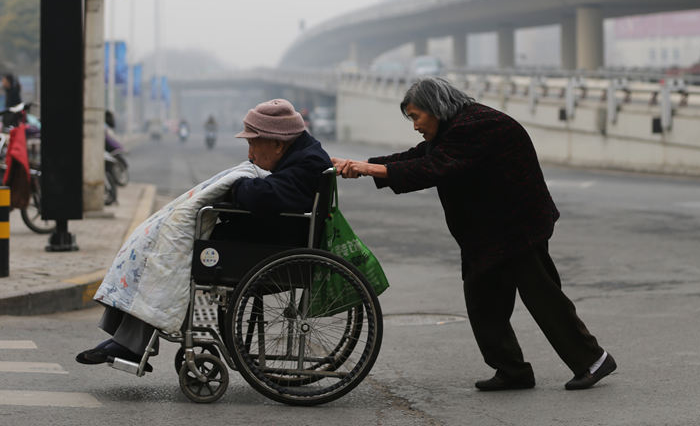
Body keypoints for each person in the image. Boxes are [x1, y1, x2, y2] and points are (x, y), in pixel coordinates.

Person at [331, 77, 615, 392]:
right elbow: (419, 156)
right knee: (483, 301)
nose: (414, 125)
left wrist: (369, 169)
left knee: (543, 297)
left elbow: (433, 168)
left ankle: (593, 360)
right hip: (488, 232)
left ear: (435, 108)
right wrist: (362, 165)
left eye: (416, 117)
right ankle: (512, 370)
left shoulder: (478, 125)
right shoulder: (454, 128)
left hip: (518, 227)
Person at [76, 99, 331, 369]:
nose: (250, 155)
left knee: (171, 254)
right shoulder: (303, 155)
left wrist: (236, 186)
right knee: (160, 247)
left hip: (273, 249)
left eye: (253, 144)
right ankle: (128, 340)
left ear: (278, 144)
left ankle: (130, 343)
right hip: (266, 239)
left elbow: (262, 197)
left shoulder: (307, 163)